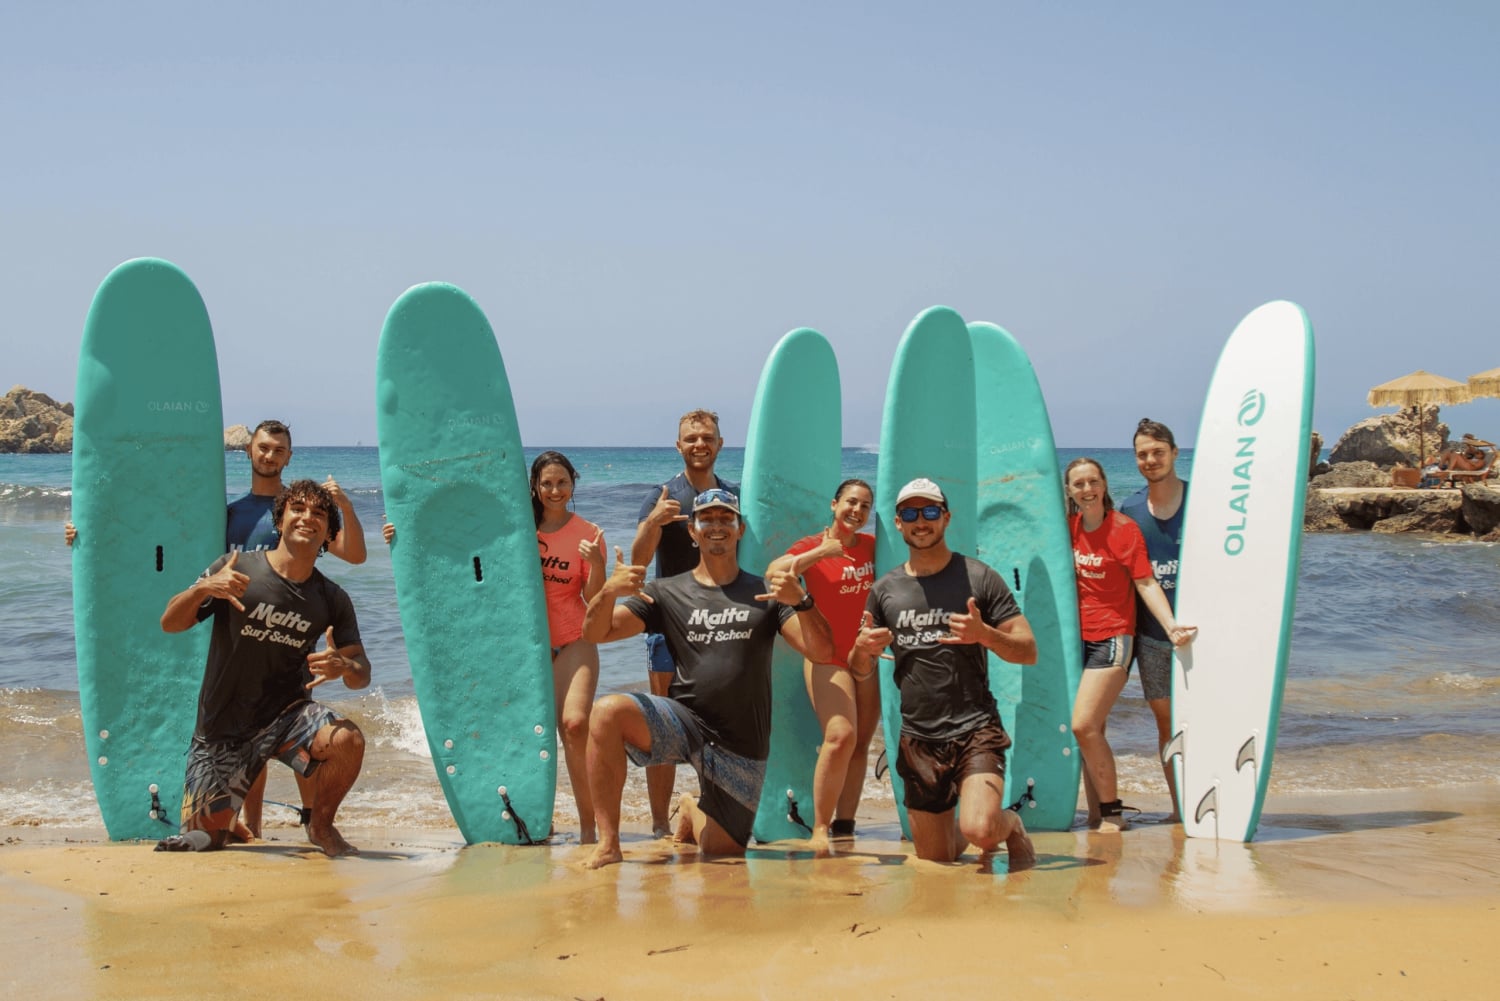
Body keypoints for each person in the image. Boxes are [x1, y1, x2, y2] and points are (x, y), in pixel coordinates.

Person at [68, 418, 367, 839]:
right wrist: (87, 535)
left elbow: (351, 553)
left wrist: (350, 511)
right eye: (263, 447)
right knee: (204, 838)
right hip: (236, 644)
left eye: (279, 450)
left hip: (288, 656)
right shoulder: (229, 516)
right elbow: (165, 540)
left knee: (324, 736)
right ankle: (243, 824)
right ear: (249, 451)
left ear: (289, 457)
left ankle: (314, 822)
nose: (270, 455)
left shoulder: (306, 516)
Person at [581, 488, 833, 869]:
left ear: (740, 529)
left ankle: (690, 810)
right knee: (606, 712)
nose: (717, 526)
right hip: (685, 722)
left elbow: (821, 651)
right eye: (707, 520)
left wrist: (802, 601)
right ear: (692, 532)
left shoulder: (766, 592)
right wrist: (608, 593)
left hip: (740, 742)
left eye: (725, 518)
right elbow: (597, 633)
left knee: (721, 851)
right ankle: (609, 843)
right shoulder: (665, 591)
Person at [381, 450, 608, 843]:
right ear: (534, 487)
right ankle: (539, 816)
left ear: (574, 483)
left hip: (574, 642)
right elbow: (459, 546)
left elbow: (595, 598)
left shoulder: (589, 533)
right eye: (547, 483)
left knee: (574, 725)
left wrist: (598, 563)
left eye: (563, 482)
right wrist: (400, 532)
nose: (555, 490)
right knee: (526, 736)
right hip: (523, 650)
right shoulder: (516, 527)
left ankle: (590, 824)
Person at [155, 479, 370, 856]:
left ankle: (320, 826)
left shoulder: (332, 598)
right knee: (202, 843)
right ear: (280, 519)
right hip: (223, 728)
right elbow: (170, 623)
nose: (308, 518)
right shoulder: (237, 569)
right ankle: (227, 816)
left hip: (290, 719)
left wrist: (344, 665)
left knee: (346, 739)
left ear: (328, 532)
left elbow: (361, 674)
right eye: (298, 509)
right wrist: (202, 589)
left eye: (319, 513)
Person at [849, 478, 1038, 867]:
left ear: (946, 518)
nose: (921, 521)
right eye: (910, 513)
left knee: (980, 831)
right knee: (938, 858)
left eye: (931, 511)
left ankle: (1010, 824)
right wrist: (860, 651)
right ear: (898, 524)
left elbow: (1029, 651)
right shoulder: (885, 590)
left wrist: (984, 634)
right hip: (918, 737)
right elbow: (859, 668)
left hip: (975, 728)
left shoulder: (978, 576)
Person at [1065, 457, 1195, 833]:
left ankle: (1112, 813)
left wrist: (1170, 626)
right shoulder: (1070, 529)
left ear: (1104, 485)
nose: (1087, 489)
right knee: (1096, 730)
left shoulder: (1124, 529)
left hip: (1114, 637)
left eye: (1093, 481)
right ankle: (1095, 815)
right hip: (1078, 641)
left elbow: (1146, 582)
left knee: (1083, 724)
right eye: (1078, 484)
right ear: (1070, 492)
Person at [630, 409, 738, 837]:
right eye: (690, 438)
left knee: (718, 722)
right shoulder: (662, 495)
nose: (699, 444)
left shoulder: (730, 496)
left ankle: (715, 812)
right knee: (662, 723)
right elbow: (638, 564)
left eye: (706, 436)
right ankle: (659, 824)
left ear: (719, 444)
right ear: (679, 446)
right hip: (668, 626)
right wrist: (655, 522)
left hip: (722, 621)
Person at [764, 478, 878, 851]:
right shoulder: (810, 546)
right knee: (840, 736)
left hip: (864, 654)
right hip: (826, 655)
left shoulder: (872, 548)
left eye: (864, 506)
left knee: (860, 743)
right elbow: (774, 572)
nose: (856, 511)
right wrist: (820, 554)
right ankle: (820, 828)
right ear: (834, 504)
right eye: (850, 502)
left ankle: (845, 825)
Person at [1117, 419, 1189, 822]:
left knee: (1207, 716)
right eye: (1142, 454)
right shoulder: (1129, 510)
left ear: (1175, 453)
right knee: (1167, 724)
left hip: (1201, 633)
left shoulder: (1202, 502)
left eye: (1158, 452)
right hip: (1152, 637)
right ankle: (1181, 809)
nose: (1150, 460)